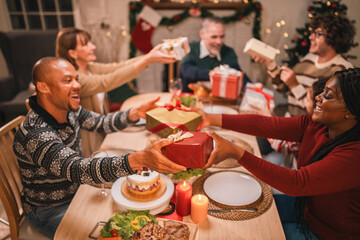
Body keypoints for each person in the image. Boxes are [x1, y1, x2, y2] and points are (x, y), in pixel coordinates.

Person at [13, 57, 186, 239]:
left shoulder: (68, 109)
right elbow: (76, 168)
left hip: (80, 190)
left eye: (76, 79)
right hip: (50, 210)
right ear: (43, 87)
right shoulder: (35, 132)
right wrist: (138, 159)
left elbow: (100, 123)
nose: (77, 85)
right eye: (67, 80)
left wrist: (133, 113)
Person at [197, 68, 360, 239]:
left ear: (350, 111)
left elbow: (297, 183)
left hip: (326, 233)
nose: (318, 97)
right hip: (304, 209)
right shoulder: (318, 124)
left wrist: (238, 154)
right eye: (322, 92)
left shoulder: (354, 156)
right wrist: (210, 118)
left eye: (328, 95)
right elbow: (268, 125)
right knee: (234, 217)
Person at [56, 27, 177, 157]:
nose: (93, 46)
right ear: (73, 53)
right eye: (86, 44)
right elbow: (107, 81)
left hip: (103, 129)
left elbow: (118, 67)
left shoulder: (90, 67)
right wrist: (148, 59)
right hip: (88, 140)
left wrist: (149, 56)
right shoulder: (76, 80)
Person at [253, 12, 355, 117]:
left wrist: (294, 85)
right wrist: (270, 64)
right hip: (290, 124)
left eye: (318, 34)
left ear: (334, 38)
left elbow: (320, 111)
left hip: (309, 130)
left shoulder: (342, 71)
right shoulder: (307, 60)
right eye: (312, 32)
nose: (310, 37)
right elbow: (282, 87)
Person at [180, 16, 251, 93]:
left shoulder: (228, 52)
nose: (219, 42)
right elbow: (186, 70)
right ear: (202, 34)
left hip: (220, 101)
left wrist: (252, 86)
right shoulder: (191, 48)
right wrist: (211, 74)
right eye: (214, 37)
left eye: (222, 36)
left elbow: (238, 74)